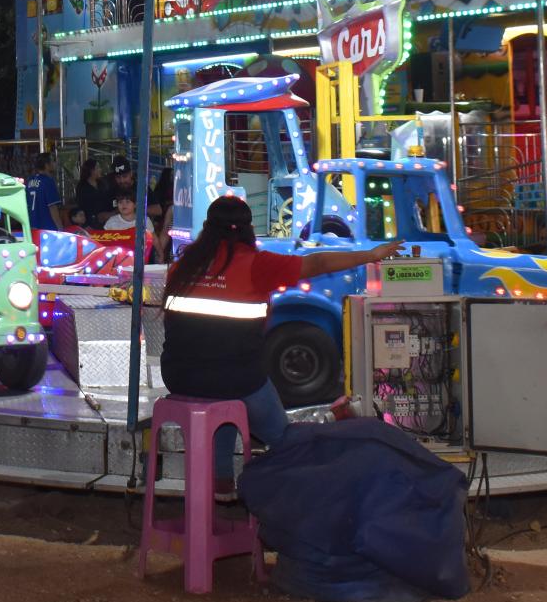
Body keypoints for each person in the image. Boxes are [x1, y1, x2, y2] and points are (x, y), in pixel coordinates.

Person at [159, 195, 396, 481]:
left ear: (207, 227)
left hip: (178, 376)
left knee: (221, 396)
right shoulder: (256, 264)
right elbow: (317, 262)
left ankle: (220, 481)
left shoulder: (182, 266)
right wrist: (371, 255)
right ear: (247, 229)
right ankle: (293, 486)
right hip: (233, 379)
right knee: (279, 434)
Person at [25, 151, 66, 230]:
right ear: (47, 165)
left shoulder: (30, 180)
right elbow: (53, 208)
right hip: (47, 227)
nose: (56, 163)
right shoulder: (48, 181)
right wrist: (60, 227)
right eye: (53, 161)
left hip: (32, 226)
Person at [71, 158, 110, 227]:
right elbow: (82, 205)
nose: (100, 169)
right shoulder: (82, 186)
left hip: (105, 219)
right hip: (90, 221)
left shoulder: (102, 183)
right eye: (98, 167)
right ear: (92, 170)